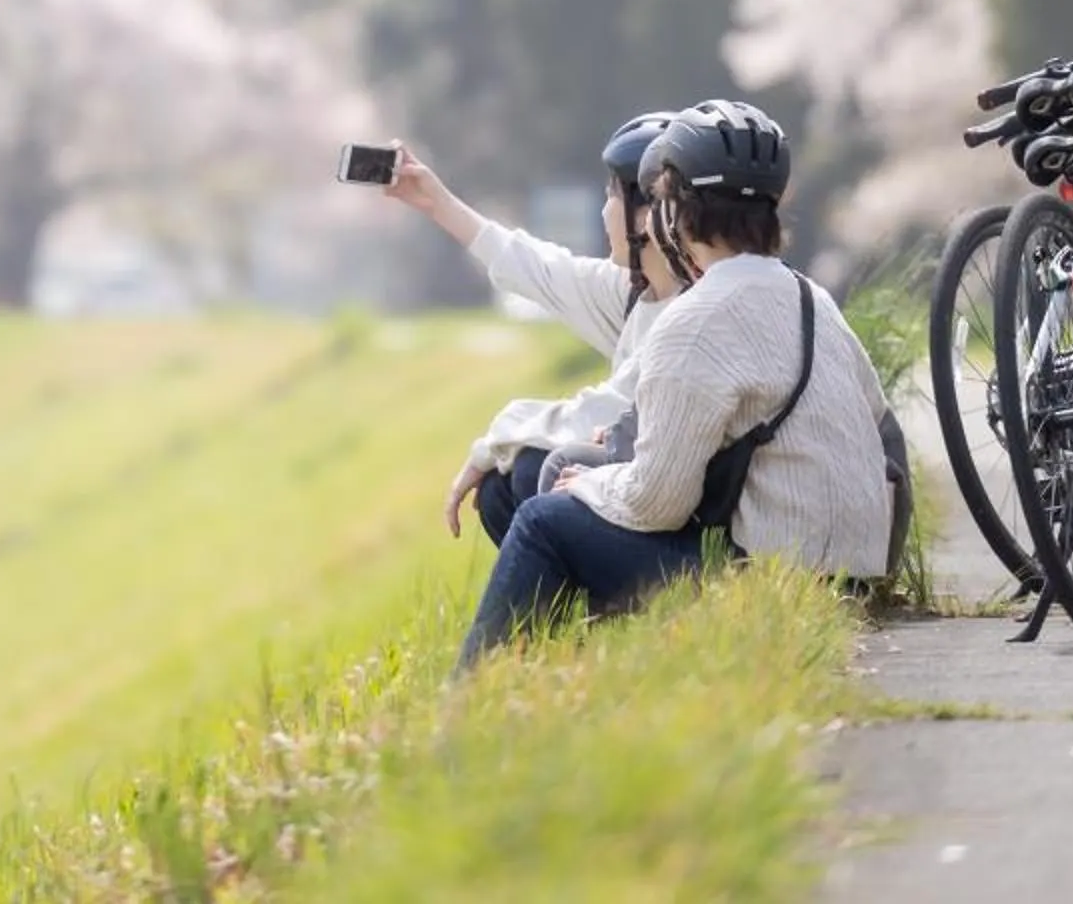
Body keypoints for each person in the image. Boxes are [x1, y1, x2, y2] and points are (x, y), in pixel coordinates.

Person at [455, 100, 896, 671]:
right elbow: (875, 413)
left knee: (545, 521)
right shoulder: (814, 299)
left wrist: (588, 485)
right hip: (853, 571)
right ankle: (585, 674)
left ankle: (469, 699)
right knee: (568, 497)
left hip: (774, 581)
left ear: (677, 215)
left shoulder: (694, 322)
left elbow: (657, 503)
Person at [383, 114, 680, 545]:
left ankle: (592, 600)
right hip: (646, 491)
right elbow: (542, 270)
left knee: (530, 468)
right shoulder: (643, 290)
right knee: (509, 480)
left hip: (678, 518)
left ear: (647, 214)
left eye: (612, 194)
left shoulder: (687, 315)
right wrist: (436, 202)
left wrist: (494, 440)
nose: (604, 210)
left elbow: (602, 412)